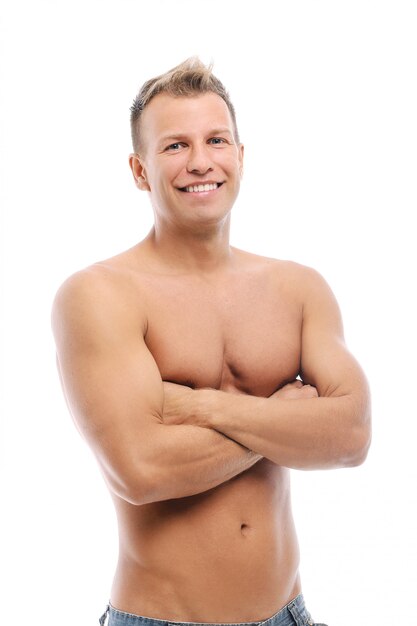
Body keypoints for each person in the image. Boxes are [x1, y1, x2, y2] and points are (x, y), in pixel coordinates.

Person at [52, 58, 371, 626]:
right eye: (174, 146)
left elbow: (350, 435)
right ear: (140, 170)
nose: (201, 161)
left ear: (241, 156)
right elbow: (140, 470)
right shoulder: (99, 295)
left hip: (288, 614)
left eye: (216, 140)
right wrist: (283, 419)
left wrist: (199, 406)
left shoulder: (298, 287)